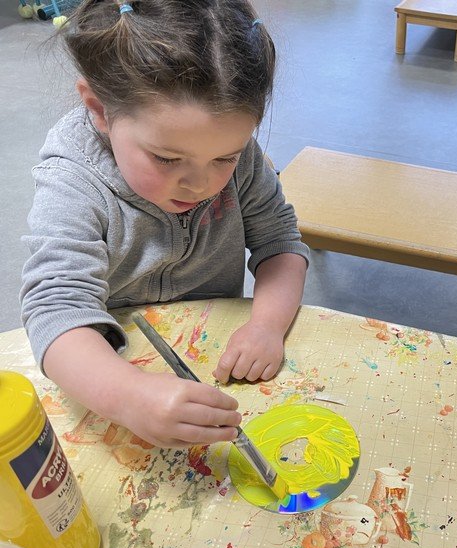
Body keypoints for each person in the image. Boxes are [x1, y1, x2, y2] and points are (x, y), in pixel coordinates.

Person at [20, 0, 309, 447]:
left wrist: (266, 326)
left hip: (210, 347)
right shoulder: (72, 181)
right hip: (104, 368)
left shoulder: (243, 159)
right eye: (168, 159)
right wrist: (127, 396)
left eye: (225, 158)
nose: (200, 183)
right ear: (99, 109)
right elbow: (55, 309)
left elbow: (281, 242)